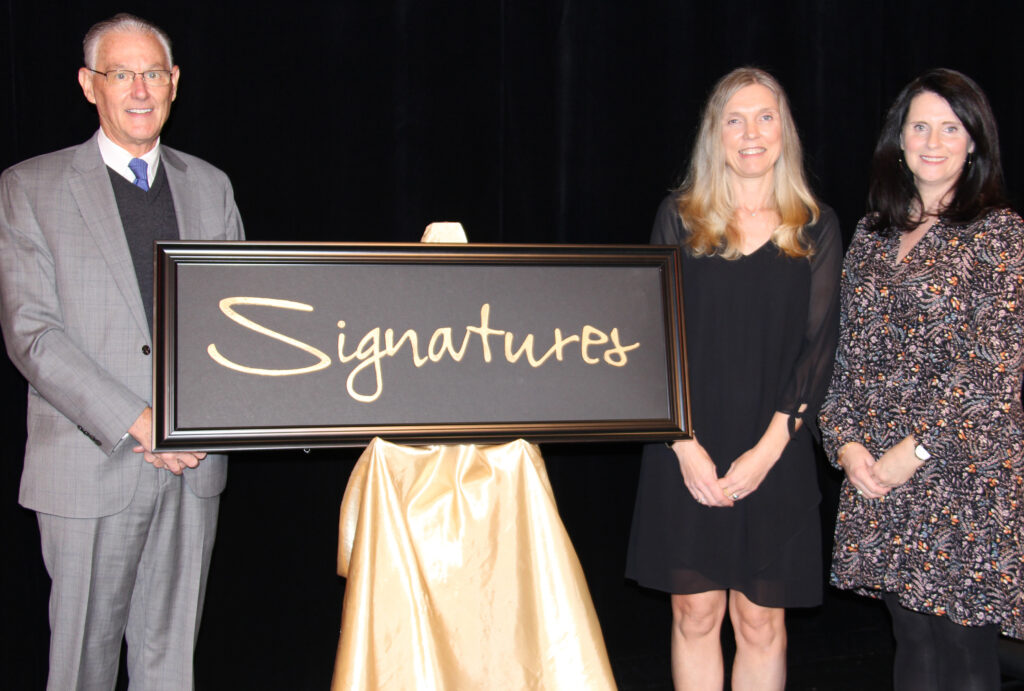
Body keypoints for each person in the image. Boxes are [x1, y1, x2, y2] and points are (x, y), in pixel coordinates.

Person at [0, 13, 244, 690]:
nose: (140, 89)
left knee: (171, 669)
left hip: (191, 469)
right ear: (89, 85)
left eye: (154, 73)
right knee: (80, 667)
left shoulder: (211, 187)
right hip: (88, 469)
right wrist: (144, 422)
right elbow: (33, 334)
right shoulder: (29, 189)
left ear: (175, 83)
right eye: (120, 73)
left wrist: (198, 423)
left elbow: (238, 329)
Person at [626, 67, 842, 690]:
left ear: (785, 130)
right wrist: (683, 445)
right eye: (735, 119)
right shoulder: (679, 217)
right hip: (684, 445)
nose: (752, 133)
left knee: (760, 621)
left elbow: (819, 347)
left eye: (765, 117)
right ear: (714, 134)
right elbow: (650, 339)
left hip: (775, 444)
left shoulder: (816, 225)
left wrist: (769, 451)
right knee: (694, 613)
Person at [819, 68, 1024, 691]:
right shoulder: (871, 235)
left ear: (973, 143)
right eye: (919, 126)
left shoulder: (1001, 235)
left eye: (950, 128)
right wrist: (846, 445)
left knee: (963, 652)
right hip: (880, 475)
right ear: (899, 141)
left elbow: (997, 374)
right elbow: (844, 358)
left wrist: (918, 449)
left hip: (963, 477)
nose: (933, 141)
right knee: (911, 641)